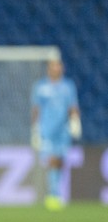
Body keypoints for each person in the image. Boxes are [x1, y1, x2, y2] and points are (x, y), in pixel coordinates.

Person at [30, 58, 81, 210]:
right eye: (53, 66)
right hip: (47, 129)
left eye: (59, 66)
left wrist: (75, 121)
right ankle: (53, 195)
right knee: (52, 160)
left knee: (60, 161)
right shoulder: (40, 87)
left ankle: (55, 193)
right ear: (48, 69)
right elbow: (36, 109)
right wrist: (35, 128)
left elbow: (72, 105)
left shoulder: (68, 86)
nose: (56, 69)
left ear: (62, 68)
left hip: (63, 130)